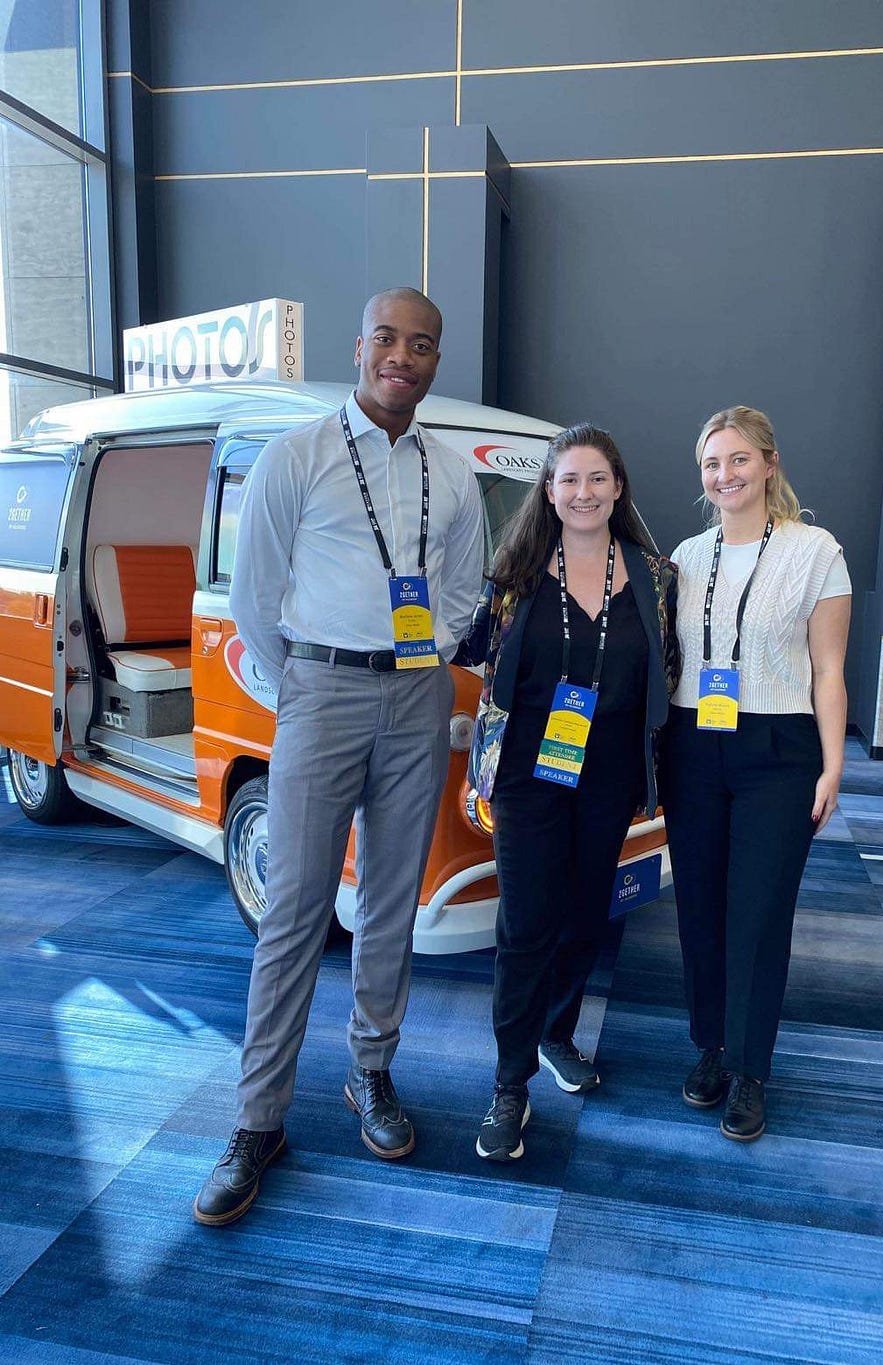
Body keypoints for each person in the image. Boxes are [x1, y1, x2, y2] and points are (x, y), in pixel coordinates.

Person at [193, 288, 485, 1225]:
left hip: (416, 694)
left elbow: (465, 588)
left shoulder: (456, 473)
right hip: (319, 690)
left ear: (437, 362)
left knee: (390, 899)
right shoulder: (298, 455)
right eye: (390, 339)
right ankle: (258, 1118)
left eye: (424, 345)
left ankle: (371, 1072)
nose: (404, 356)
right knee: (295, 910)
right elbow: (254, 595)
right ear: (359, 346)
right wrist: (304, 689)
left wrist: (425, 657)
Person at [458, 424, 678, 1162]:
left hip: (611, 772)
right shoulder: (514, 575)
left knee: (587, 913)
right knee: (526, 923)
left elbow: (670, 671)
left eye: (597, 479)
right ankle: (508, 1084)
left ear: (618, 487)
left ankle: (556, 1032)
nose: (582, 493)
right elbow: (480, 668)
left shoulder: (656, 575)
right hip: (528, 772)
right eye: (568, 480)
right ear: (548, 491)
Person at [659, 405, 851, 1142]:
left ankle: (750, 1069)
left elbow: (829, 669)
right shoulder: (685, 553)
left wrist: (834, 765)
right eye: (712, 463)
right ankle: (711, 1045)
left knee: (760, 910)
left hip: (780, 748)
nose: (724, 475)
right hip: (693, 742)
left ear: (769, 464)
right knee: (700, 905)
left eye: (739, 459)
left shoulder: (815, 550)